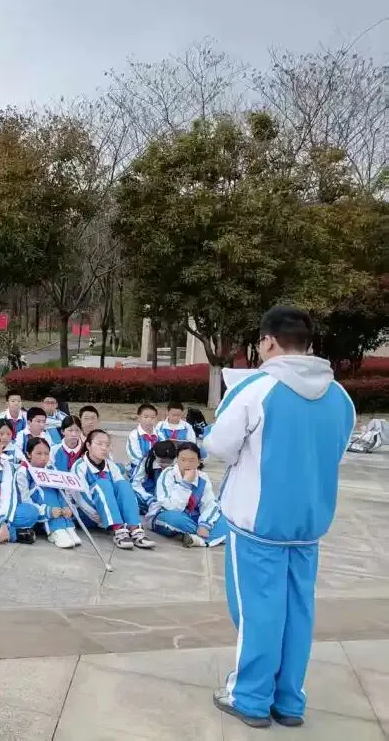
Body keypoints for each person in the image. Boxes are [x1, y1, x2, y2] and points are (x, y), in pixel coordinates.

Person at [205, 306, 355, 729]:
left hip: (258, 523)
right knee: (298, 610)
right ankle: (289, 700)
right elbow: (336, 454)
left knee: (259, 611)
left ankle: (251, 697)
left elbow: (219, 446)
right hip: (309, 524)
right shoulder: (339, 396)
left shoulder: (256, 388)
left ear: (268, 341)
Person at [72, 429, 155, 550]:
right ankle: (119, 530)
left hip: (111, 514)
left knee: (123, 484)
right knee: (103, 483)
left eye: (107, 445)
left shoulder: (111, 465)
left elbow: (123, 493)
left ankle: (134, 528)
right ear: (88, 445)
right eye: (99, 444)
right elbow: (80, 497)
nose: (104, 448)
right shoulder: (79, 466)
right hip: (91, 515)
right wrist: (99, 514)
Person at [149, 441, 227, 548]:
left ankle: (197, 539)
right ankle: (205, 537)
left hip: (193, 517)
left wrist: (205, 524)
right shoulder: (168, 474)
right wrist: (185, 484)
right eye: (183, 460)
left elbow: (209, 504)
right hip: (167, 514)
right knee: (176, 519)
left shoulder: (203, 477)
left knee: (225, 520)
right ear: (177, 460)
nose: (187, 464)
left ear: (199, 462)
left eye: (192, 460)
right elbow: (170, 507)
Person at [19, 437, 80, 549]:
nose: (43, 458)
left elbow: (62, 492)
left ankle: (67, 526)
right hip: (38, 515)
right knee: (45, 490)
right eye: (38, 453)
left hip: (57, 512)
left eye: (46, 454)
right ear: (28, 454)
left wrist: (67, 507)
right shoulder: (23, 472)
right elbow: (25, 500)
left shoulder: (52, 468)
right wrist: (47, 511)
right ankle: (55, 530)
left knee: (57, 490)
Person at [131, 439, 177, 514]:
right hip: (150, 495)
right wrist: (148, 498)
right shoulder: (147, 461)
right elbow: (135, 483)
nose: (165, 465)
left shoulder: (178, 463)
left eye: (169, 462)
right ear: (155, 454)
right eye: (162, 461)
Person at [126, 403, 160, 478]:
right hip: (139, 468)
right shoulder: (134, 435)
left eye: (153, 417)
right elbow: (134, 456)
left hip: (157, 467)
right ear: (139, 417)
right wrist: (149, 464)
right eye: (146, 417)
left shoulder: (159, 434)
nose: (149, 420)